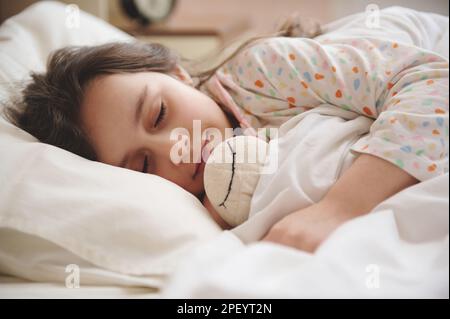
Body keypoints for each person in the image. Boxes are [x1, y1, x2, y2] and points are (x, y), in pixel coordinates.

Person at [4, 7, 448, 252]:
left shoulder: (258, 71)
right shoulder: (202, 203)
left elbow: (431, 82)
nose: (175, 149)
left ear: (178, 75)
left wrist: (340, 208)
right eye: (142, 165)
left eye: (159, 114)